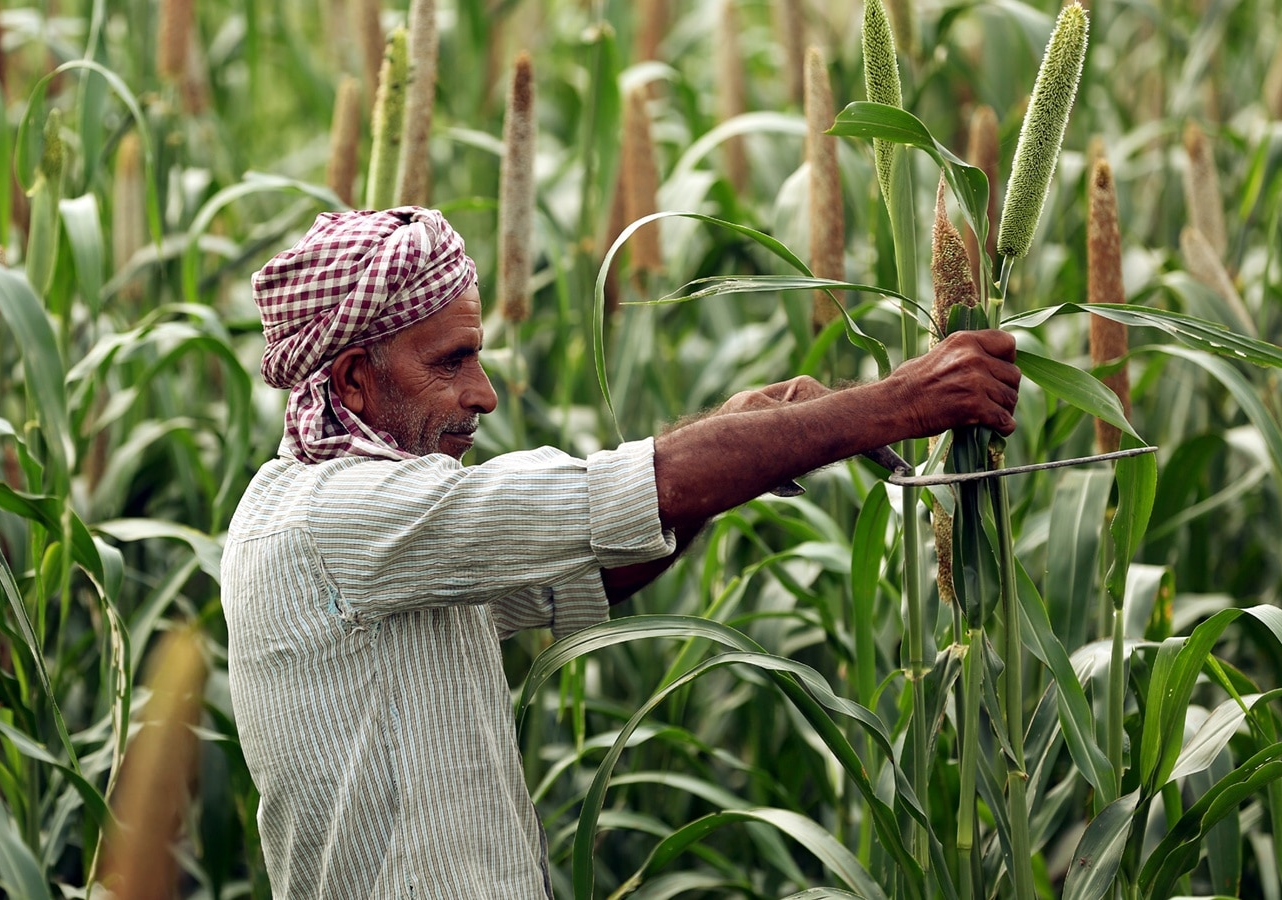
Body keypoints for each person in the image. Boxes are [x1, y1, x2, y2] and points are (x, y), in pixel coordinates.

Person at [221, 207, 1020, 899]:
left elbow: (597, 566)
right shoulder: (336, 520)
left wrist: (748, 440)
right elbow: (627, 492)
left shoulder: (390, 534)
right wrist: (901, 401)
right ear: (355, 380)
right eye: (451, 361)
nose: (484, 392)